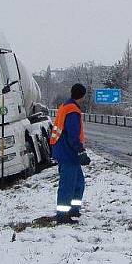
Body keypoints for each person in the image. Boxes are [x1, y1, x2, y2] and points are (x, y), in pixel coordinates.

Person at [49, 83, 91, 223]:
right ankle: (62, 215)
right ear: (82, 96)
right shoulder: (72, 110)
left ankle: (73, 209)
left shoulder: (65, 106)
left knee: (79, 182)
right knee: (67, 185)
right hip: (68, 153)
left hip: (64, 150)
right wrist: (80, 151)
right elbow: (73, 135)